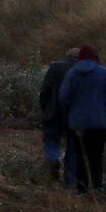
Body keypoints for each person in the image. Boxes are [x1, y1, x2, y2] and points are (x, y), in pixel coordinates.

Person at [59, 45, 106, 194]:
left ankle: (82, 189)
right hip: (99, 122)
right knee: (96, 155)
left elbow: (63, 97)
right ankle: (96, 186)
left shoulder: (72, 74)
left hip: (77, 122)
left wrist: (71, 110)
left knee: (80, 155)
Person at [40, 47, 79, 184]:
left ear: (66, 56)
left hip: (53, 112)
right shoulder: (82, 70)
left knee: (50, 141)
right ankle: (70, 181)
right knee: (73, 148)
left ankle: (53, 158)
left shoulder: (55, 67)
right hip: (74, 116)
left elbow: (45, 90)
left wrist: (44, 109)